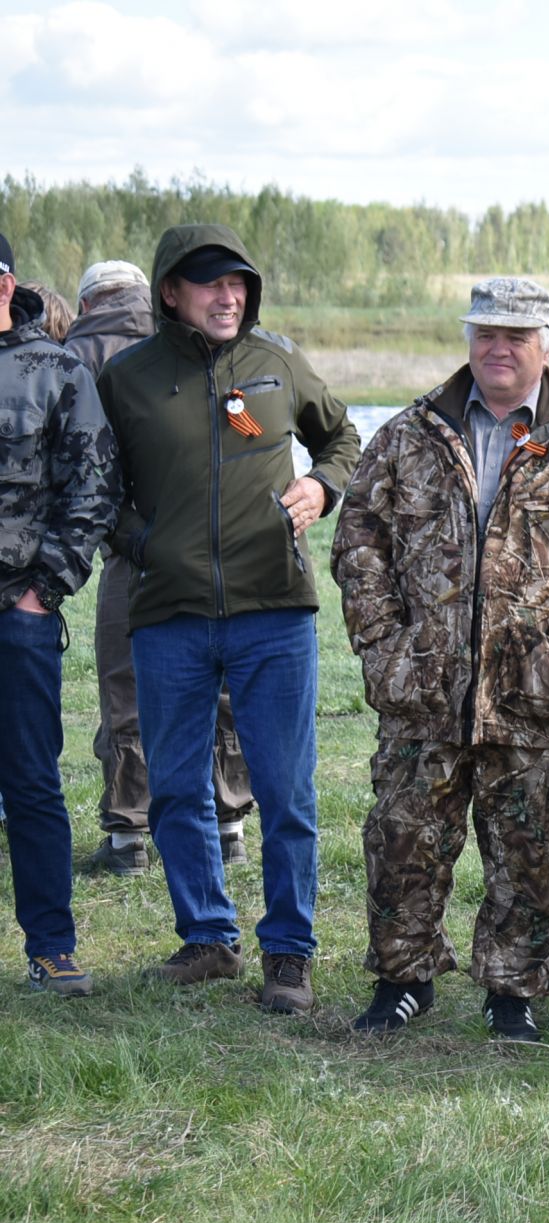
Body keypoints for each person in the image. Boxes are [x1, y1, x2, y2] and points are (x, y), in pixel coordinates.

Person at [333, 278, 549, 1042]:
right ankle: (403, 979)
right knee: (403, 838)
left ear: (548, 344)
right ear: (468, 340)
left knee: (530, 849)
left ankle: (514, 991)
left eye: (517, 335)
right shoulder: (412, 433)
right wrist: (386, 648)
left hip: (529, 699)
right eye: (486, 334)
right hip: (424, 691)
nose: (499, 349)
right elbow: (358, 542)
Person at [95, 224, 361, 1015]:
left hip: (273, 610)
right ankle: (208, 938)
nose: (228, 296)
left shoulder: (276, 365)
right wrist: (141, 541)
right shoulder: (128, 378)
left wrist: (322, 487)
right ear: (170, 292)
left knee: (285, 791)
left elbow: (341, 435)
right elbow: (94, 480)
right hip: (169, 613)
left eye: (239, 282)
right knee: (176, 788)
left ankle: (289, 954)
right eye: (210, 283)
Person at [67, 259, 256, 878]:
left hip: (133, 548)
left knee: (127, 686)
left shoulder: (76, 352)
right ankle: (229, 824)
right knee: (221, 680)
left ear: (89, 301)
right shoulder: (191, 340)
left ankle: (128, 836)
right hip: (212, 545)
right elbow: (244, 435)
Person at [0, 231, 119, 997]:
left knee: (30, 779)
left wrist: (45, 589)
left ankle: (52, 945)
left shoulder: (55, 368)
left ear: (6, 285)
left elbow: (94, 484)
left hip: (18, 611)